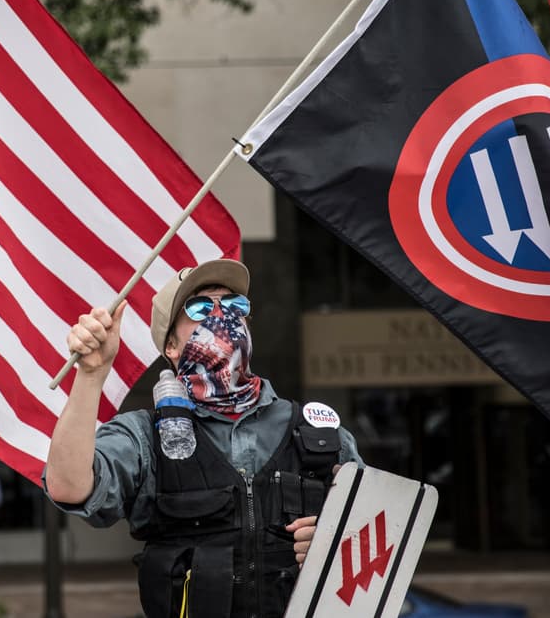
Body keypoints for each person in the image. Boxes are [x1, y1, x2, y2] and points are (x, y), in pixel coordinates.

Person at [43, 259, 362, 618]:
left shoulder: (318, 431)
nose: (220, 316)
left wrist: (338, 542)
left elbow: (382, 538)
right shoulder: (144, 436)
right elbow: (68, 487)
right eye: (199, 308)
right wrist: (90, 375)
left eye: (233, 305)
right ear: (172, 347)